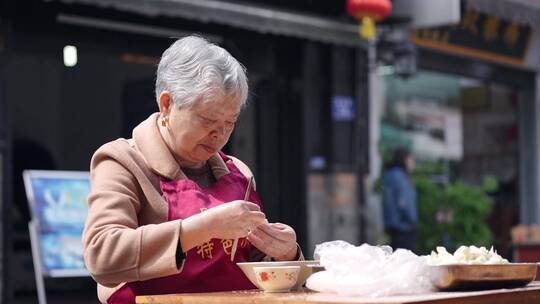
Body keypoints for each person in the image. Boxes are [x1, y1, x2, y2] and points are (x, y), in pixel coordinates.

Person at [83, 36, 302, 304]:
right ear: (167, 105)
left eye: (229, 122)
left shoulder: (239, 174)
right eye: (208, 120)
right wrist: (204, 227)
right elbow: (102, 255)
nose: (219, 135)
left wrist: (286, 254)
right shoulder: (123, 161)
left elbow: (254, 264)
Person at [382, 148, 418, 252]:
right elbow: (405, 202)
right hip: (404, 226)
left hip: (394, 225)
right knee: (406, 261)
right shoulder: (400, 177)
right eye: (411, 159)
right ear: (404, 160)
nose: (412, 162)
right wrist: (412, 220)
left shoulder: (390, 175)